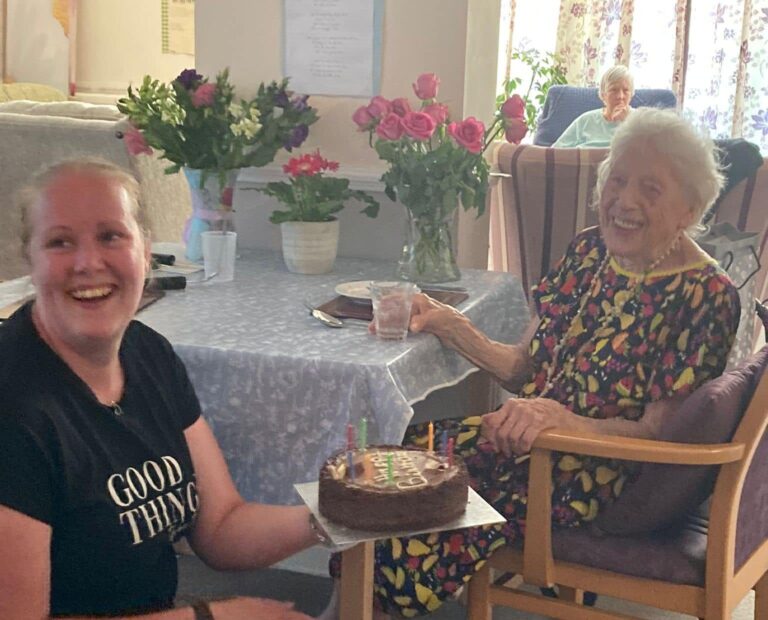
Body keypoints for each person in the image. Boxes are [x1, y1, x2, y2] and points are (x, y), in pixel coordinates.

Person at [326, 108, 740, 618]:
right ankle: (351, 600)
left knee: (432, 494)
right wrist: (444, 320)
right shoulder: (590, 250)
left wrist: (560, 421)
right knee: (398, 457)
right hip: (529, 444)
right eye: (618, 179)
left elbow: (656, 434)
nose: (624, 201)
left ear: (689, 209)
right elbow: (525, 368)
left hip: (598, 474)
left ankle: (371, 603)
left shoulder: (706, 295)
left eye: (651, 190)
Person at [0, 159, 327, 619]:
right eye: (60, 242)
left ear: (146, 251)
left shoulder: (146, 352)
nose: (88, 262)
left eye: (111, 236)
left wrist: (334, 512)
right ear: (30, 263)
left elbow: (221, 527)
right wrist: (211, 617)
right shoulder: (14, 409)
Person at [553, 65, 634, 148]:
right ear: (603, 95)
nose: (620, 96)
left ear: (631, 94)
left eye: (626, 90)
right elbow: (555, 151)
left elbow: (645, 153)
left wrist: (629, 122)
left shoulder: (640, 121)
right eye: (614, 90)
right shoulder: (585, 120)